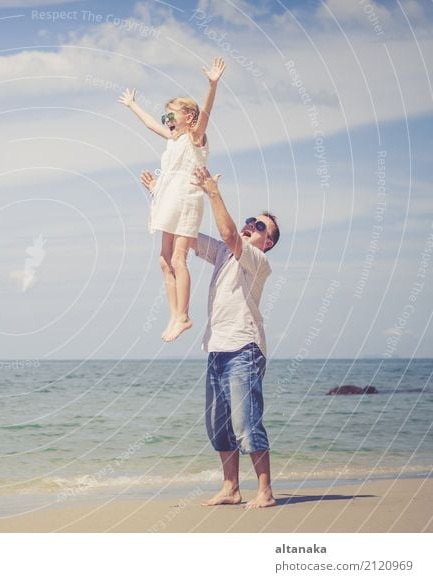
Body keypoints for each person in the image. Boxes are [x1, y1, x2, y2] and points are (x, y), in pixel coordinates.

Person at [141, 166, 279, 509]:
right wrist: (161, 195)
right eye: (251, 220)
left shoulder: (257, 260)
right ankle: (231, 488)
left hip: (245, 349)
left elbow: (230, 234)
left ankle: (265, 491)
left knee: (246, 423)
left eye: (260, 226)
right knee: (219, 427)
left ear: (268, 242)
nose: (252, 226)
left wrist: (213, 192)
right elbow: (184, 233)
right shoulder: (221, 254)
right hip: (217, 349)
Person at [118, 58, 226, 342]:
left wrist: (212, 85)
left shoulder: (196, 137)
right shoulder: (173, 139)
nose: (167, 121)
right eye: (166, 117)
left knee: (179, 258)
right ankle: (175, 314)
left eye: (171, 116)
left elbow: (207, 113)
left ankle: (184, 315)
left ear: (188, 117)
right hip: (168, 200)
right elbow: (151, 125)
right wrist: (132, 106)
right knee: (164, 261)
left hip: (187, 200)